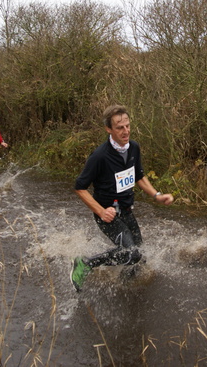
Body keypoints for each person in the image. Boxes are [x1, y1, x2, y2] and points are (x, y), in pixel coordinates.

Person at [70, 105, 174, 292]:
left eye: (127, 126)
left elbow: (139, 176)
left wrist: (156, 195)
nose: (125, 131)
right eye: (119, 127)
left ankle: (124, 287)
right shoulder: (100, 156)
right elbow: (80, 188)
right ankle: (85, 263)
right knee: (131, 253)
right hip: (107, 215)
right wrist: (101, 211)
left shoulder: (133, 147)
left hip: (126, 210)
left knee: (139, 258)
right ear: (108, 129)